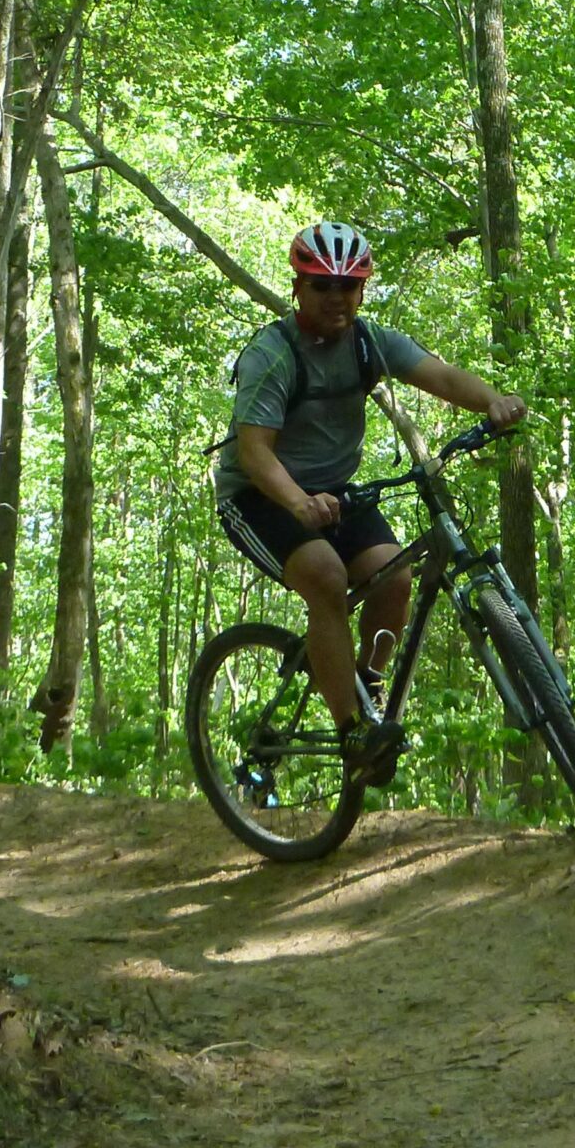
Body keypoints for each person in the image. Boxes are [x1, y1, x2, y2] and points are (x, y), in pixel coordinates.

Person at [213, 220, 526, 782]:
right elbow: (255, 454)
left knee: (396, 578)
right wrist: (298, 503)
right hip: (261, 498)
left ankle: (366, 683)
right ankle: (352, 730)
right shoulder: (273, 354)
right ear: (298, 289)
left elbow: (442, 377)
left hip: (338, 495)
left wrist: (492, 402)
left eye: (348, 286)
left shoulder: (369, 341)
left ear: (361, 290)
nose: (336, 297)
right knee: (326, 578)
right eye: (321, 285)